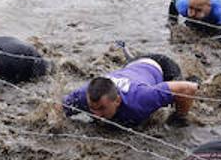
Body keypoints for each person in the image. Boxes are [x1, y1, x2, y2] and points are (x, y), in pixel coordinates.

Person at [61, 54, 199, 128]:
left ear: (118, 101)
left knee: (192, 86)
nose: (96, 115)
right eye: (93, 108)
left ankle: (197, 78)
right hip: (133, 66)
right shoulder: (82, 96)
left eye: (102, 109)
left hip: (161, 66)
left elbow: (187, 89)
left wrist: (179, 117)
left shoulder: (141, 99)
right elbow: (57, 110)